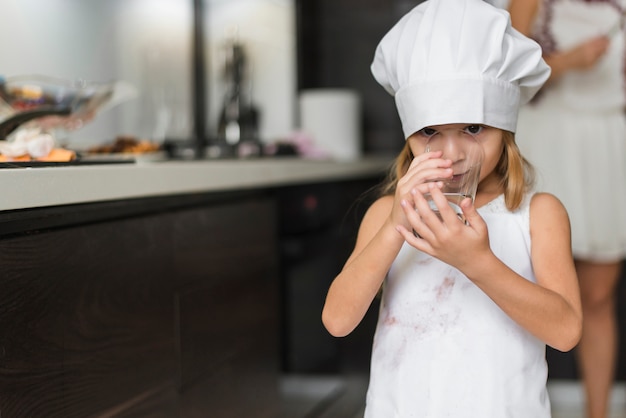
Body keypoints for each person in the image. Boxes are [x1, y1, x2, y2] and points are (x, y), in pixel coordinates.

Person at [321, 0, 583, 416]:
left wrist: (476, 261)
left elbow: (566, 331)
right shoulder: (387, 214)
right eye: (430, 132)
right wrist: (393, 227)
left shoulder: (537, 214)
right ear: (409, 136)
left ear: (506, 130)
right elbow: (337, 320)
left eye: (473, 128)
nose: (452, 152)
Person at [507, 1, 626, 417]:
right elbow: (508, 78)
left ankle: (599, 413)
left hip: (610, 142)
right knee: (525, 285)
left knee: (598, 295)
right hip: (549, 140)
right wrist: (568, 61)